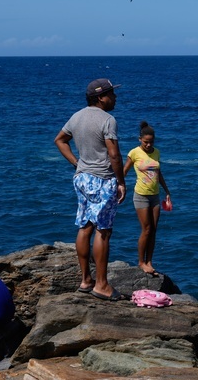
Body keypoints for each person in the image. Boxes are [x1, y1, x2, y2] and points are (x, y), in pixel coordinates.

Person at [54, 78, 129, 301]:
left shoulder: (76, 117)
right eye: (111, 94)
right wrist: (121, 181)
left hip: (82, 178)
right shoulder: (108, 120)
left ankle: (86, 280)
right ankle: (102, 285)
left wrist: (76, 163)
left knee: (85, 225)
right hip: (102, 179)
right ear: (100, 98)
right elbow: (114, 155)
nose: (115, 98)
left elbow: (60, 140)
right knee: (103, 231)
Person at [124, 121, 171, 276]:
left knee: (154, 230)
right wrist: (118, 186)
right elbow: (123, 172)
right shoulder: (134, 153)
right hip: (141, 196)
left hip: (155, 196)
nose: (149, 145)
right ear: (140, 139)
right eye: (146, 142)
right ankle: (141, 262)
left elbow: (158, 172)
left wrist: (166, 191)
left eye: (151, 142)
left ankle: (149, 261)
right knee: (146, 229)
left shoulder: (156, 152)